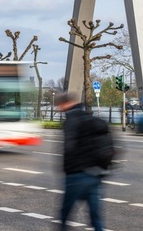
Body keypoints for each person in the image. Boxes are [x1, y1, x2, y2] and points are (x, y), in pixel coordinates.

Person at [55, 92, 106, 231]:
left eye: (59, 106)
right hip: (95, 174)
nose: (59, 109)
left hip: (77, 175)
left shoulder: (71, 121)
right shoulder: (89, 118)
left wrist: (68, 170)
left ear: (65, 104)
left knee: (65, 215)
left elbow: (69, 148)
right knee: (95, 217)